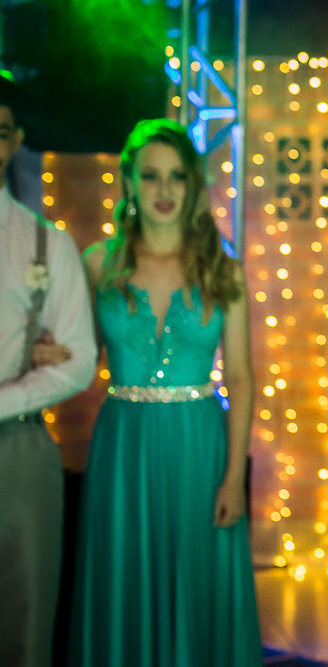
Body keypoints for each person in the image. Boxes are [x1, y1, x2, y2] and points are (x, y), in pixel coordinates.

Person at [66, 119, 261, 666]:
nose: (164, 189)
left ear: (193, 184)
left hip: (199, 447)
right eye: (151, 176)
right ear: (129, 181)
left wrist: (233, 478)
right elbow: (81, 353)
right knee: (122, 576)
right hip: (123, 447)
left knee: (196, 581)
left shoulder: (223, 270)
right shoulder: (99, 263)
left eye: (177, 176)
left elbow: (241, 377)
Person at [0, 76, 97, 667]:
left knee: (24, 617)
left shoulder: (47, 245)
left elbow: (79, 360)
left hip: (19, 450)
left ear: (15, 142)